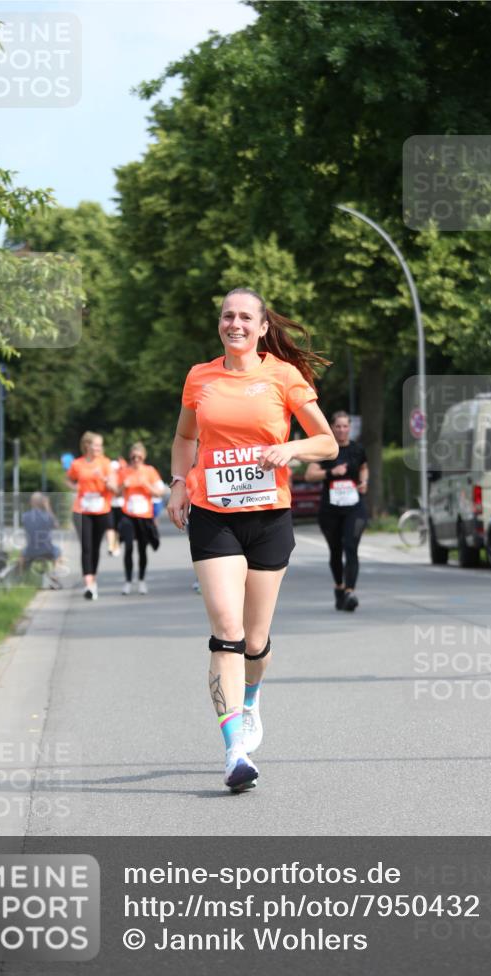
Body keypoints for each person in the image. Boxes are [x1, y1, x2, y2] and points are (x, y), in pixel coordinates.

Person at [167, 287, 338, 792]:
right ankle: (234, 752)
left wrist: (290, 449)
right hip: (213, 515)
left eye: (245, 317)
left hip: (268, 519)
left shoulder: (284, 377)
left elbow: (326, 442)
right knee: (227, 630)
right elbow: (184, 438)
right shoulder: (200, 377)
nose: (234, 323)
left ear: (263, 328)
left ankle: (251, 697)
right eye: (226, 316)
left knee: (256, 642)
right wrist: (179, 483)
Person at [305, 410, 369, 611]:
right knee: (336, 550)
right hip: (330, 510)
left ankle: (350, 591)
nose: (342, 430)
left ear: (350, 428)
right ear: (332, 428)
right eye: (338, 426)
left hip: (354, 508)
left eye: (345, 426)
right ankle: (339, 588)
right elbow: (309, 475)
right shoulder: (327, 450)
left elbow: (364, 467)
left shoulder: (358, 449)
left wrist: (364, 482)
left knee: (351, 547)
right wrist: (331, 472)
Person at [66, 432, 117, 600]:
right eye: (96, 445)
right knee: (86, 547)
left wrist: (103, 478)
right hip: (81, 510)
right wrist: (75, 488)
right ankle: (88, 584)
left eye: (100, 445)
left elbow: (114, 488)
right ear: (87, 445)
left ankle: (93, 579)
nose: (99, 448)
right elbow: (69, 480)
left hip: (101, 509)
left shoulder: (105, 463)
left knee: (95, 547)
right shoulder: (77, 464)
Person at [118, 442, 164, 594]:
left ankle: (142, 581)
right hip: (128, 515)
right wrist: (123, 486)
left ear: (143, 457)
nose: (136, 459)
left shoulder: (150, 471)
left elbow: (159, 493)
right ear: (130, 457)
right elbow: (116, 493)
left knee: (142, 549)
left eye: (139, 457)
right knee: (128, 547)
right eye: (133, 457)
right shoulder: (124, 471)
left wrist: (146, 485)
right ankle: (128, 581)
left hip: (144, 516)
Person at [21, 492, 63, 587]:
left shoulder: (25, 516)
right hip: (47, 550)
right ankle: (55, 574)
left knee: (22, 554)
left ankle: (21, 578)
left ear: (31, 502)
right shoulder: (47, 516)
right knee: (58, 552)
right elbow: (56, 525)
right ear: (43, 503)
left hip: (30, 551)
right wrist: (48, 507)